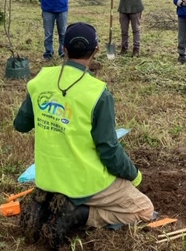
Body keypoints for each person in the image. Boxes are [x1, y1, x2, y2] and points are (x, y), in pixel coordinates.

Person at [13, 22, 154, 248]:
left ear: (64, 49)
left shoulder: (40, 80)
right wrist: (133, 174)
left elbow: (21, 124)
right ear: (97, 50)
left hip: (47, 178)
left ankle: (49, 201)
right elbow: (109, 151)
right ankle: (78, 214)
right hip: (83, 184)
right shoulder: (98, 93)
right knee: (144, 209)